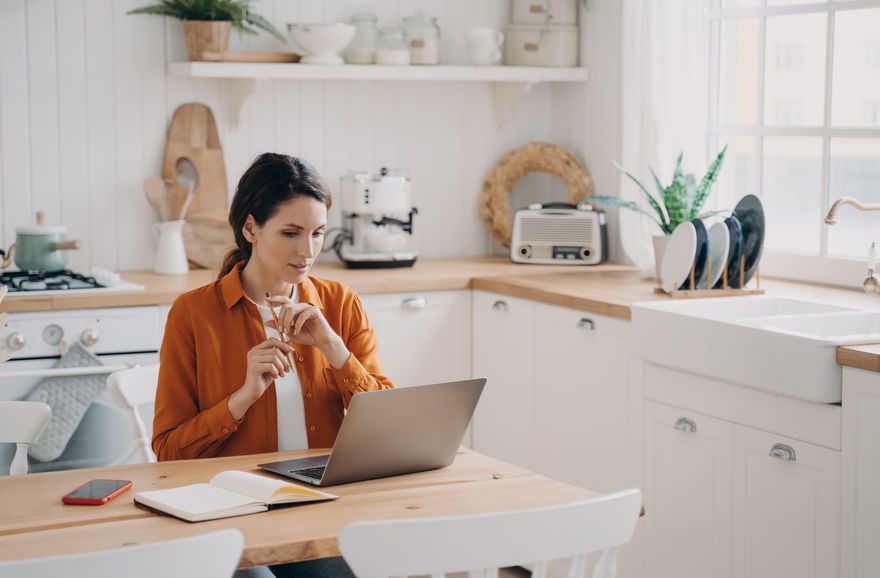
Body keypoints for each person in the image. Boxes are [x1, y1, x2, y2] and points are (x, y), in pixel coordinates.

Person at [152, 153, 394, 578]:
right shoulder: (192, 314)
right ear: (251, 228)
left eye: (318, 233)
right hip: (231, 514)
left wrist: (335, 350)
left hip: (325, 509)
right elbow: (169, 452)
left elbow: (391, 428)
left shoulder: (340, 304)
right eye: (291, 232)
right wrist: (242, 399)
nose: (308, 251)